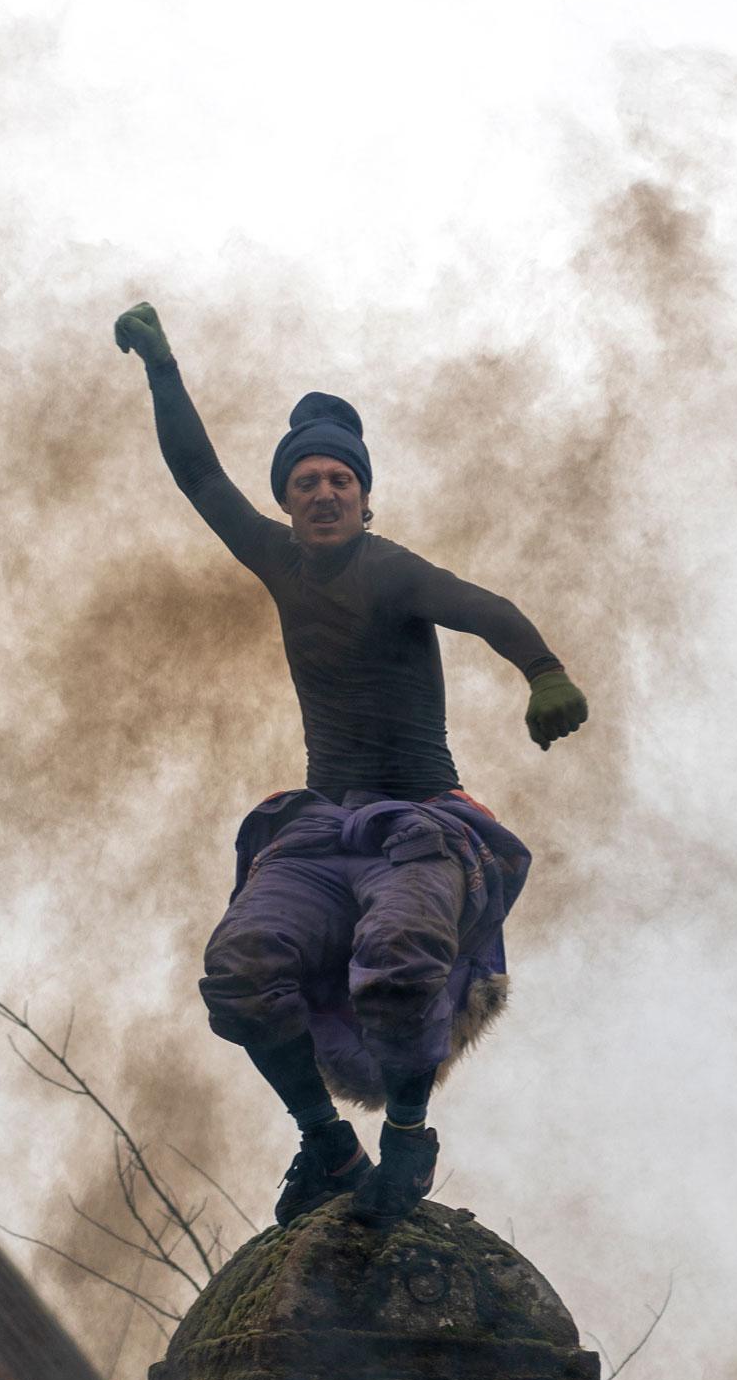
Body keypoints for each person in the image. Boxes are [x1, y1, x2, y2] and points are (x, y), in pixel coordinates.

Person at [114, 300, 588, 1228]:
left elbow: (481, 604)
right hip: (324, 828)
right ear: (287, 502)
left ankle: (406, 1134)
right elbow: (199, 476)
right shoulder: (276, 559)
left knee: (401, 961)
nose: (323, 493)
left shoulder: (392, 569)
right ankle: (324, 1140)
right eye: (305, 482)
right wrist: (163, 371)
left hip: (419, 825)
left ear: (366, 498)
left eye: (340, 480)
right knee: (241, 971)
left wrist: (544, 671)